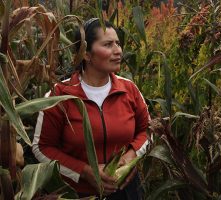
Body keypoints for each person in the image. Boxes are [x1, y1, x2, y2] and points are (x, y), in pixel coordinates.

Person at [32, 18, 150, 199]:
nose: (118, 50)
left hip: (126, 192)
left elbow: (148, 130)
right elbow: (42, 148)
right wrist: (85, 171)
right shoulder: (59, 96)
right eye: (108, 44)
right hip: (76, 193)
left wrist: (130, 157)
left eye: (118, 43)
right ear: (86, 54)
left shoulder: (129, 90)